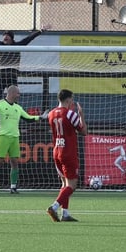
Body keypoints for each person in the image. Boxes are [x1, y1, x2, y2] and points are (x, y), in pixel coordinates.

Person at [0, 85, 48, 193]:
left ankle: (13, 187)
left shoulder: (18, 108)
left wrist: (40, 117)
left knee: (14, 162)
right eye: (18, 93)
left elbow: (28, 118)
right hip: (2, 136)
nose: (19, 95)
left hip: (15, 137)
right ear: (12, 93)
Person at [46, 89, 87, 222]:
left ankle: (65, 214)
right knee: (72, 185)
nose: (73, 102)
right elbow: (84, 132)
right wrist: (81, 115)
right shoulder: (70, 114)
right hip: (68, 152)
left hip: (56, 151)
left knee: (65, 183)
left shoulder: (51, 114)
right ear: (68, 100)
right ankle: (54, 206)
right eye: (72, 100)